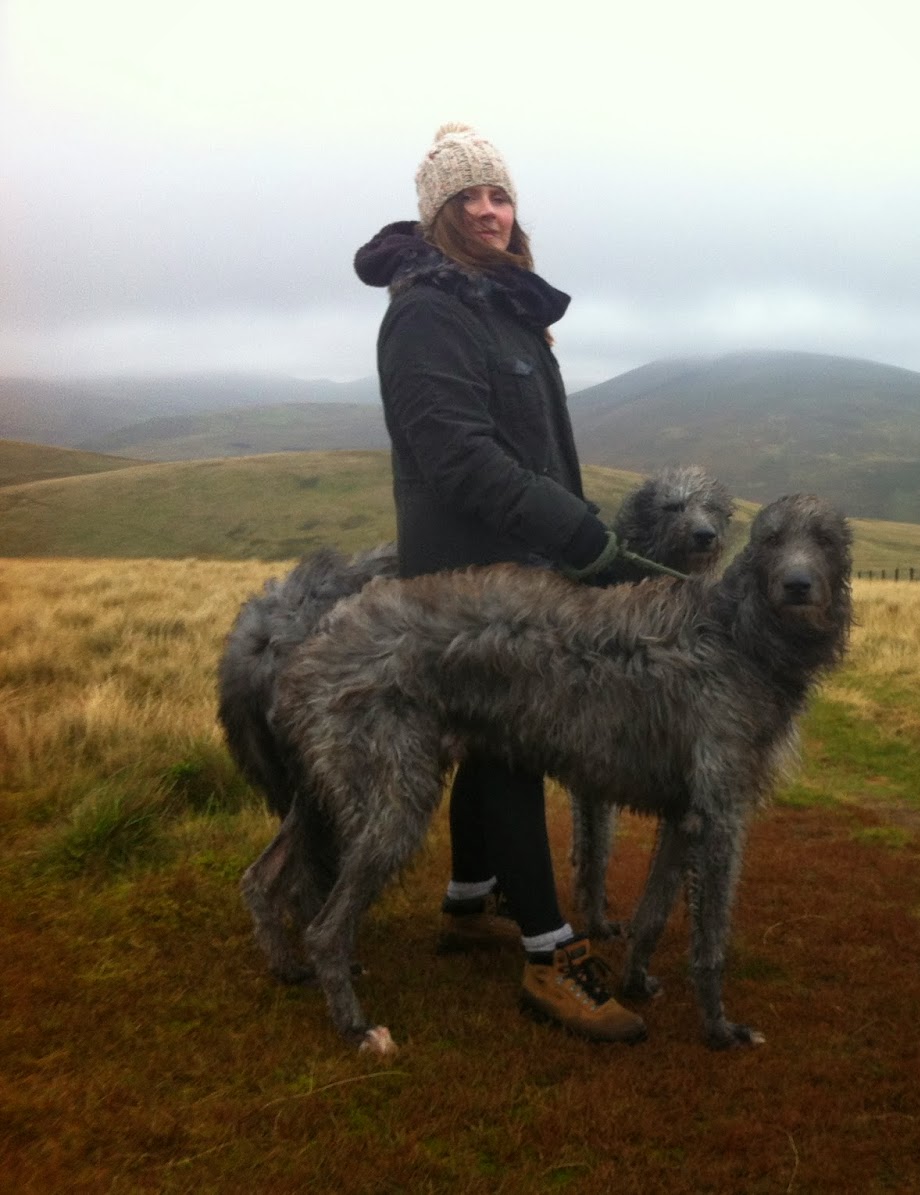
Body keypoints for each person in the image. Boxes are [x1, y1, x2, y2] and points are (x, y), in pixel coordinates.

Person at [352, 122, 643, 1043]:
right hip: (470, 579)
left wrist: (569, 541)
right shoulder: (428, 310)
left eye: (500, 194)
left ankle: (470, 903)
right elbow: (455, 453)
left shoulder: (502, 304)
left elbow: (539, 450)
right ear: (438, 212)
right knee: (515, 745)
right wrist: (576, 530)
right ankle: (550, 958)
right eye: (468, 197)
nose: (489, 209)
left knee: (490, 741)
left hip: (522, 568)